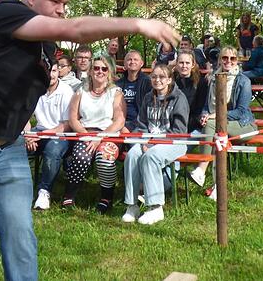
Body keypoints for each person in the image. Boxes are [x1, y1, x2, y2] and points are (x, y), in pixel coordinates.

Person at [0, 0, 178, 280]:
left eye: (64, 5)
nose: (61, 10)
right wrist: (138, 24)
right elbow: (77, 29)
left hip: (5, 152)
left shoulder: (43, 48)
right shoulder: (6, 12)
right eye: (55, 1)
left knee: (20, 236)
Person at [122, 64, 189, 225]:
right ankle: (132, 205)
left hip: (174, 142)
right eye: (154, 77)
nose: (157, 80)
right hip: (148, 139)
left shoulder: (179, 98)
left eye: (161, 77)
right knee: (132, 155)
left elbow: (179, 131)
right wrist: (145, 141)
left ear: (169, 80)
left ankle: (155, 207)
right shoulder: (147, 97)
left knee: (151, 157)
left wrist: (152, 144)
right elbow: (142, 124)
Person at [189, 46, 256, 200]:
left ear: (237, 61)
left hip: (243, 124)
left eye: (232, 58)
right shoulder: (212, 78)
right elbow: (206, 105)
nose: (228, 61)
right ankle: (216, 187)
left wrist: (213, 117)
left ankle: (201, 168)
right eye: (225, 58)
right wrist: (205, 115)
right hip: (218, 124)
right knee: (217, 136)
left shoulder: (243, 80)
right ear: (219, 60)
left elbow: (241, 111)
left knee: (213, 127)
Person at [63, 56, 126, 213]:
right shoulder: (80, 91)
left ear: (109, 72)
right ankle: (70, 194)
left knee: (104, 157)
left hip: (109, 133)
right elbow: (73, 118)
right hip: (85, 133)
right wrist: (87, 136)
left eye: (104, 69)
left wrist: (100, 137)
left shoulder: (116, 93)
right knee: (80, 156)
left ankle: (106, 197)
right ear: (90, 71)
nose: (100, 71)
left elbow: (119, 121)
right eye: (96, 68)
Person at [23, 61, 74, 210]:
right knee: (16, 146)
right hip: (38, 132)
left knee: (53, 151)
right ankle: (20, 188)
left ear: (58, 72)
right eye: (47, 71)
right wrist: (27, 135)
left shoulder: (66, 91)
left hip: (61, 135)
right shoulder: (33, 89)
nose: (50, 75)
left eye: (54, 71)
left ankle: (44, 192)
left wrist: (41, 135)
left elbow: (67, 124)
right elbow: (24, 118)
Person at [116, 50, 152, 131]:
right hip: (119, 123)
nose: (132, 62)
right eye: (129, 59)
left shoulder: (147, 83)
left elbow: (148, 109)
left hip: (140, 124)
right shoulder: (118, 84)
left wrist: (130, 126)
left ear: (141, 63)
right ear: (124, 64)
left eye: (135, 59)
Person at [174, 50, 209, 132]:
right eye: (181, 63)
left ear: (193, 64)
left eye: (187, 63)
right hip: (175, 123)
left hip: (194, 125)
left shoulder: (201, 82)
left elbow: (199, 109)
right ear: (176, 64)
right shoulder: (171, 81)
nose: (184, 66)